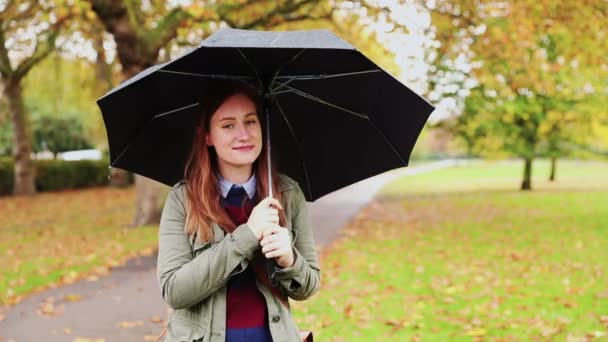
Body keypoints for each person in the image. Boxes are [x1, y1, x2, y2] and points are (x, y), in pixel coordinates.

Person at [156, 81, 320, 342]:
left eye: (251, 121)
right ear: (207, 136)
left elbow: (308, 286)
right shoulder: (183, 200)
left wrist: (289, 260)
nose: (243, 135)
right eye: (228, 125)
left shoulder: (287, 194)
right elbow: (174, 291)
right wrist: (248, 234)